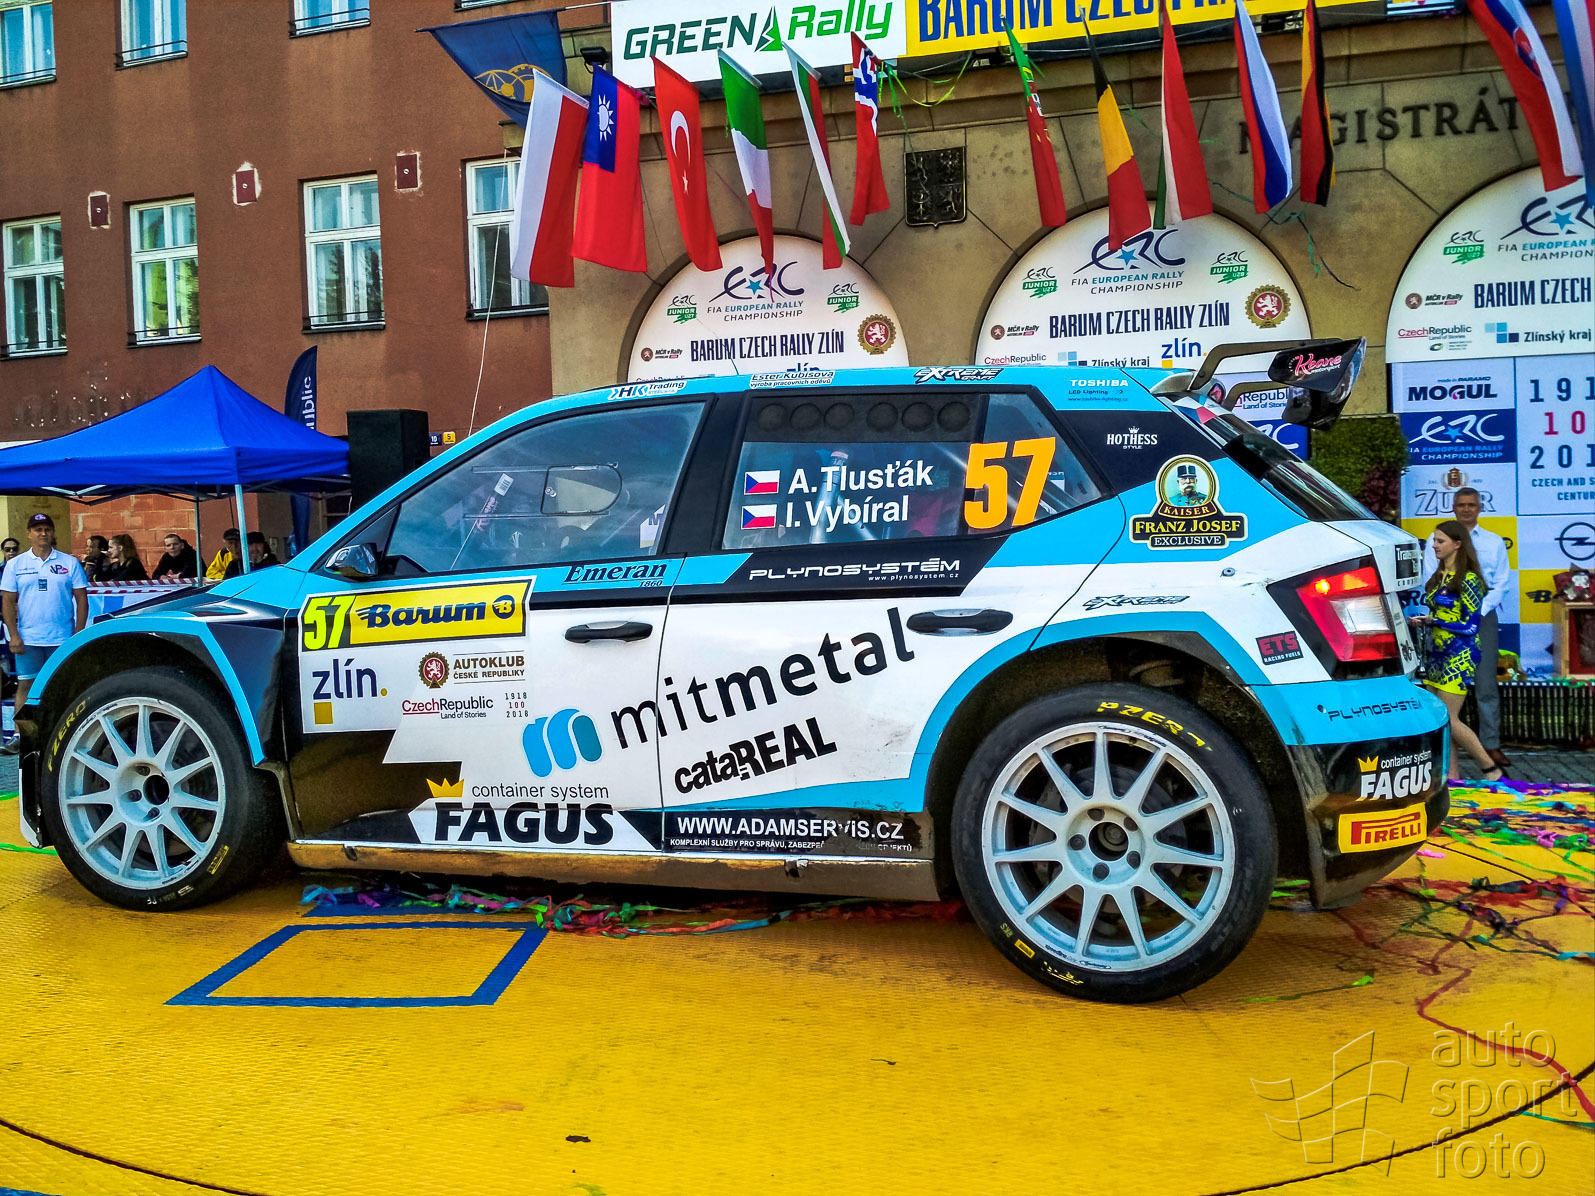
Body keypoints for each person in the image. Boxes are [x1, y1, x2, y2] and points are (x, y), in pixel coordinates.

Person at [1420, 488, 1511, 770]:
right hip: (1441, 626)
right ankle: (1453, 773)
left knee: (1485, 685)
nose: (1467, 509)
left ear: (1480, 507)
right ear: (1454, 507)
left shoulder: (1494, 542)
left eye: (1472, 504)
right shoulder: (1436, 541)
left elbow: (1501, 584)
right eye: (1462, 505)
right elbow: (1429, 578)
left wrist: (1477, 610)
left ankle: (1490, 749)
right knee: (1441, 709)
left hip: (1479, 617)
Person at [0, 513, 89, 753]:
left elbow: (81, 599)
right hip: (28, 638)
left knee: (62, 685)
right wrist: (14, 635)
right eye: (37, 529)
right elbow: (7, 601)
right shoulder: (15, 564)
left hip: (62, 638)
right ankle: (21, 736)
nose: (43, 533)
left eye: (47, 529)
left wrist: (78, 634)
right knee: (26, 685)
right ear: (29, 534)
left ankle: (62, 733)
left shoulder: (69, 563)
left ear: (52, 533)